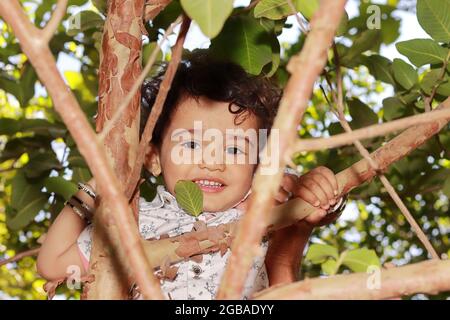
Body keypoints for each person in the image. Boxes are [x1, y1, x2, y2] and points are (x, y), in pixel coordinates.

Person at [37, 51, 345, 299]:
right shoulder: (137, 221)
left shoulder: (261, 205)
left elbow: (311, 201)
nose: (212, 162)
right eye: (193, 144)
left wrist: (317, 186)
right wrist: (97, 187)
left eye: (235, 150)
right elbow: (51, 264)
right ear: (153, 158)